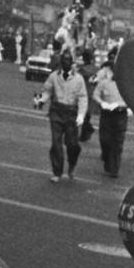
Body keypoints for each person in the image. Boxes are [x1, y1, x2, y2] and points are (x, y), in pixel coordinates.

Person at [45, 47, 89, 182]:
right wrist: (41, 99)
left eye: (68, 60)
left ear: (72, 62)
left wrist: (81, 115)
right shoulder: (54, 76)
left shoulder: (79, 79)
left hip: (71, 113)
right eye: (63, 60)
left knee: (72, 144)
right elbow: (47, 90)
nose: (65, 62)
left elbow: (83, 97)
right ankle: (57, 172)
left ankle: (72, 164)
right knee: (56, 143)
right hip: (57, 111)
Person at [93, 47, 129, 180]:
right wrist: (102, 103)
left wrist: (120, 105)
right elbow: (96, 94)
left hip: (120, 115)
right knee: (105, 140)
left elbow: (131, 101)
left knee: (118, 142)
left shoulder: (126, 85)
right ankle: (107, 159)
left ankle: (114, 168)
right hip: (107, 114)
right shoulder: (104, 83)